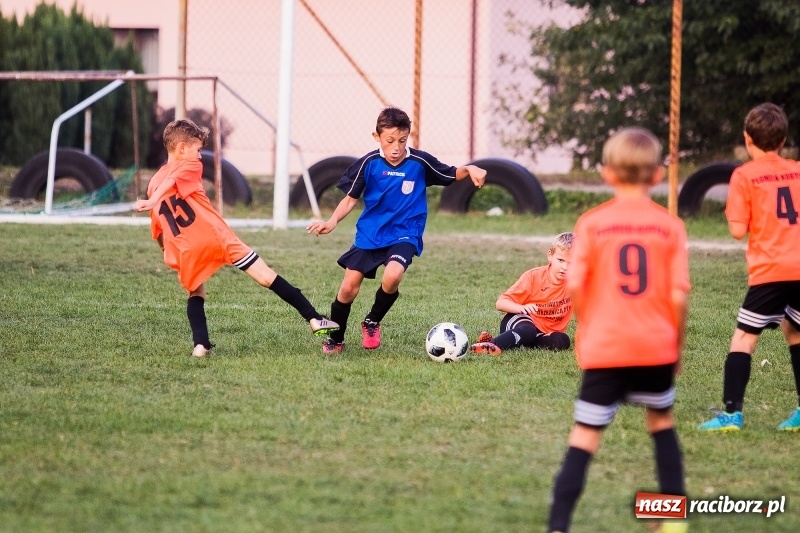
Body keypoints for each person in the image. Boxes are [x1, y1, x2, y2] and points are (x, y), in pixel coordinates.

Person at [547, 128, 690, 533]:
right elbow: (678, 298)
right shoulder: (669, 226)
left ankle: (558, 526)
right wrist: (676, 347)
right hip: (655, 349)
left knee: (584, 438)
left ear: (606, 174)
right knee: (661, 425)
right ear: (658, 175)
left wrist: (589, 329)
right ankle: (672, 522)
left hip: (606, 348)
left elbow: (575, 285)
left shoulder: (592, 224)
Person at [134, 119, 338, 357]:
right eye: (198, 150)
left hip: (185, 248)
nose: (200, 157)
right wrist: (153, 200)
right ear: (182, 148)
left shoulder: (153, 183)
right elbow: (172, 181)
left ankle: (200, 345)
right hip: (216, 237)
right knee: (265, 276)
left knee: (196, 293)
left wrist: (164, 243)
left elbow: (158, 230)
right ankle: (314, 319)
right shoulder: (189, 166)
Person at [306, 106, 486, 354]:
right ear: (376, 137)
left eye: (402, 140)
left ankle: (372, 321)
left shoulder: (419, 162)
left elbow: (451, 173)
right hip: (371, 234)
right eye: (390, 140)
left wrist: (471, 168)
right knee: (348, 288)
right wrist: (331, 222)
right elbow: (350, 199)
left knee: (392, 276)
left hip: (405, 232)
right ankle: (336, 339)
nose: (396, 147)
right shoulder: (368, 164)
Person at [699, 103, 800, 432]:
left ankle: (731, 414)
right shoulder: (798, 170)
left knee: (744, 338)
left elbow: (737, 230)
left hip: (771, 270)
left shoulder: (744, 176)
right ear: (783, 140)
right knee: (795, 331)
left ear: (746, 139)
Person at [470, 232, 574, 356]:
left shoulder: (577, 283)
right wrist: (522, 308)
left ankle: (513, 341)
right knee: (528, 331)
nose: (565, 267)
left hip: (543, 333)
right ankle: (492, 344)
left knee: (562, 341)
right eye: (561, 260)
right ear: (550, 255)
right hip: (519, 320)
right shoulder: (534, 276)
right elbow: (500, 303)